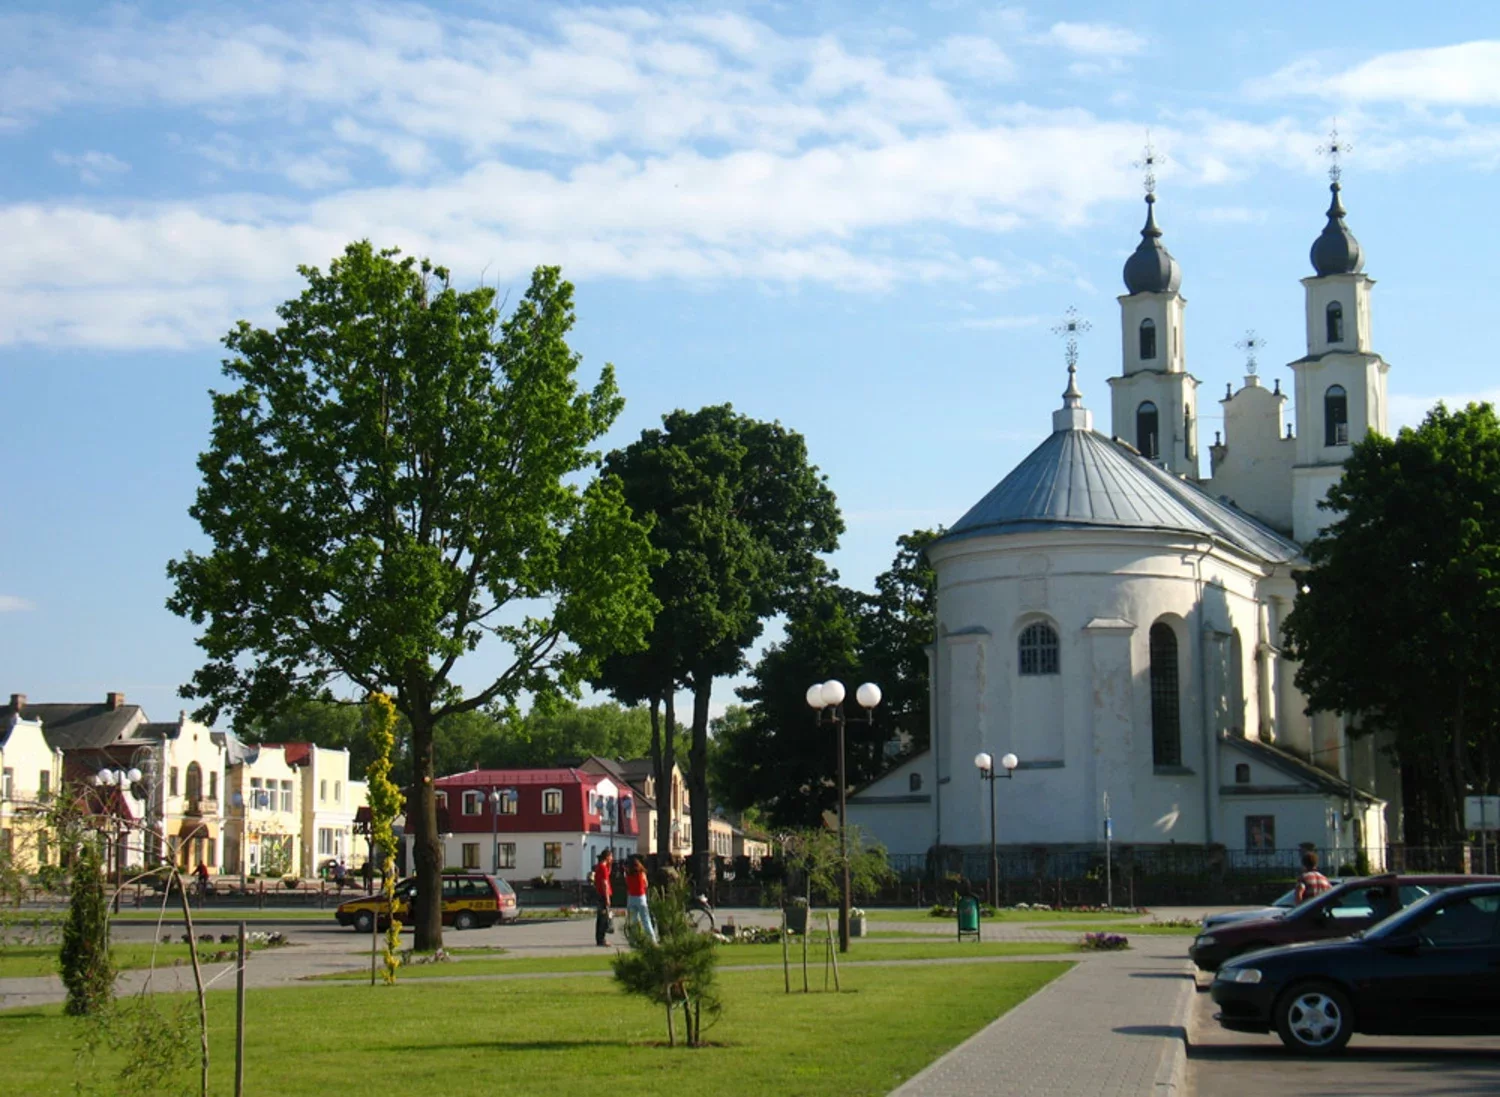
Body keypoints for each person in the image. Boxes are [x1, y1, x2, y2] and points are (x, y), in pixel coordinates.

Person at [624, 854, 657, 944]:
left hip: (631, 897)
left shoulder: (628, 875)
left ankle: (633, 939)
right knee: (646, 920)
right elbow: (646, 884)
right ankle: (652, 939)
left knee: (633, 921)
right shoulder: (641, 873)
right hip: (641, 897)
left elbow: (627, 885)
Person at [592, 849, 614, 947]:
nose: (612, 858)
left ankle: (599, 939)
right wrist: (607, 898)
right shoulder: (603, 868)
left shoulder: (599, 867)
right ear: (607, 857)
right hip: (603, 895)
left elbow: (607, 874)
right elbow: (604, 883)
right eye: (611, 856)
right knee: (604, 918)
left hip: (599, 894)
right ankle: (602, 939)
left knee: (600, 917)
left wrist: (610, 865)